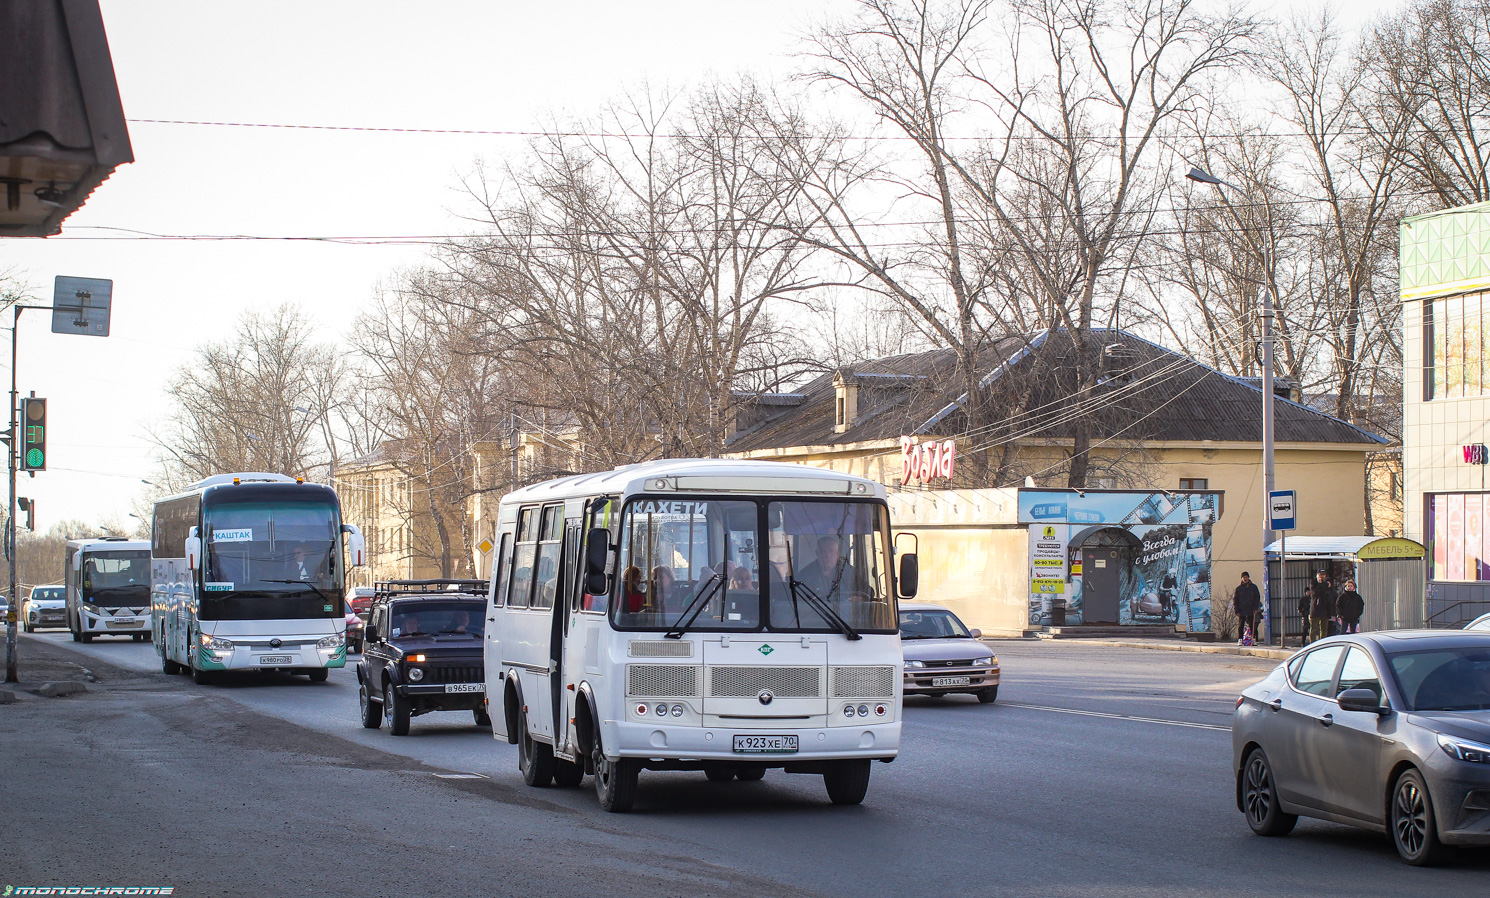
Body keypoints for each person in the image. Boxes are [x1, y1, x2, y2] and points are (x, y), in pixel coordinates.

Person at [1307, 570, 1336, 645]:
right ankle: (1312, 644)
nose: (1322, 577)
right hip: (1315, 609)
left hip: (1325, 609)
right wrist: (1320, 583)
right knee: (1314, 629)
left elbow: (1328, 593)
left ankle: (1322, 644)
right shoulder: (1313, 583)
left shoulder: (1326, 583)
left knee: (1324, 629)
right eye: (1320, 575)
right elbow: (1315, 593)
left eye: (1323, 575)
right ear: (1317, 575)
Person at [1232, 571, 1262, 644]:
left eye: (1246, 577)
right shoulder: (1238, 589)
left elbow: (1257, 598)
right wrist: (1237, 611)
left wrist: (1255, 608)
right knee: (1241, 625)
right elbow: (1235, 600)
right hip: (1241, 610)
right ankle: (1240, 639)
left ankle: (1253, 639)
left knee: (1252, 625)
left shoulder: (1253, 587)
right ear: (1241, 579)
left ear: (1248, 578)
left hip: (1251, 609)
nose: (1245, 579)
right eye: (1243, 577)